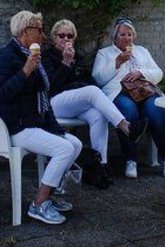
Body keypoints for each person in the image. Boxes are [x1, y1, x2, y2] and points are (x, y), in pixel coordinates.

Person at [0, 11, 82, 225]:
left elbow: (44, 95)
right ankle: (38, 204)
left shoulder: (33, 56)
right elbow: (2, 95)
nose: (42, 34)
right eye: (38, 30)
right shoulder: (3, 57)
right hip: (15, 126)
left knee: (75, 144)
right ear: (24, 32)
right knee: (64, 149)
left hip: (35, 122)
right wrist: (25, 71)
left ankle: (48, 194)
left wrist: (55, 127)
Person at [42, 19, 131, 185]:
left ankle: (99, 167)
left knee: (99, 114)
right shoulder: (47, 57)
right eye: (62, 35)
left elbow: (88, 80)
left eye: (70, 36)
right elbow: (51, 85)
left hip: (76, 105)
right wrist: (66, 63)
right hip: (54, 103)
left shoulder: (79, 57)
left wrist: (74, 64)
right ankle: (125, 126)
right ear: (54, 38)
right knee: (92, 92)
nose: (66, 39)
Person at [92, 17, 165, 179]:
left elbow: (158, 73)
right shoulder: (105, 53)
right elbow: (98, 79)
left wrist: (141, 73)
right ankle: (131, 160)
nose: (127, 38)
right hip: (119, 93)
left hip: (144, 91)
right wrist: (117, 63)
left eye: (130, 34)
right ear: (115, 36)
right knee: (128, 111)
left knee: (157, 110)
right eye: (122, 34)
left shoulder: (142, 51)